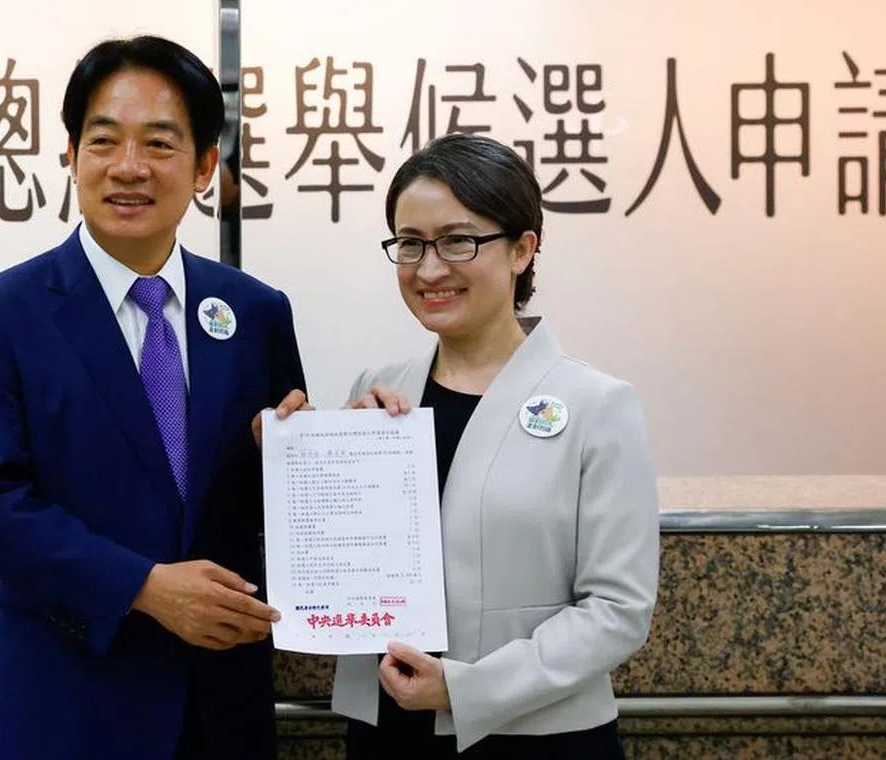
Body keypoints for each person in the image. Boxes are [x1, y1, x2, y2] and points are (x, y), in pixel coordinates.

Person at [0, 35, 306, 760]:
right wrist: (143, 587)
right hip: (68, 702)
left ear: (204, 166)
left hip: (220, 707)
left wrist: (315, 453)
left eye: (160, 143)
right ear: (71, 156)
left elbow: (270, 510)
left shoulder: (256, 312)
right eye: (104, 140)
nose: (129, 167)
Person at [269, 133, 659, 758]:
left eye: (458, 240)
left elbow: (618, 609)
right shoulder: (377, 393)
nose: (429, 269)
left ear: (522, 249)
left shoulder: (596, 403)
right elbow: (341, 574)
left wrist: (464, 687)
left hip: (538, 735)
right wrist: (302, 456)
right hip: (388, 729)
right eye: (410, 243)